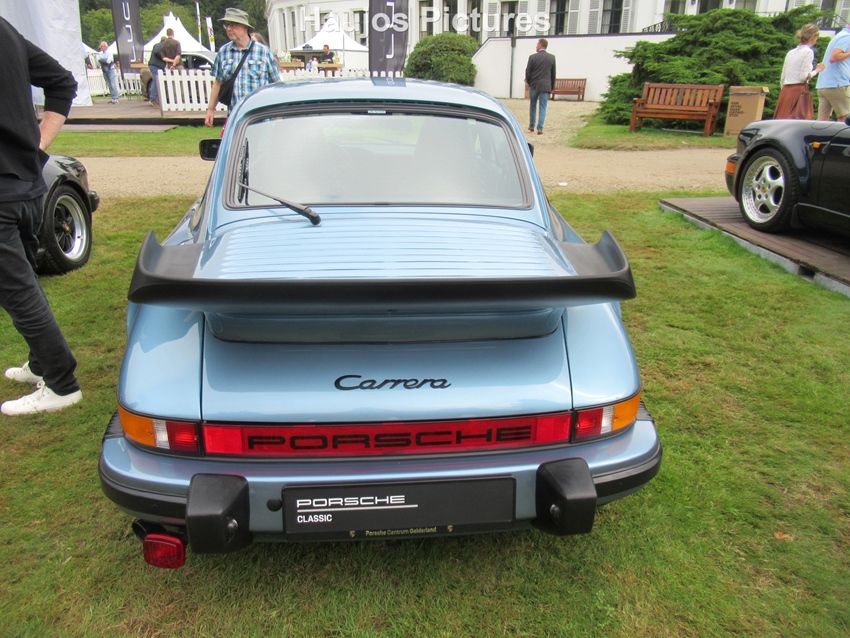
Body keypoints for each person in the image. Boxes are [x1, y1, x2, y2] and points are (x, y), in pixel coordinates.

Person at [0, 17, 83, 415]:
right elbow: (63, 82)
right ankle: (39, 363)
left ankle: (62, 384)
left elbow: (63, 83)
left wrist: (39, 143)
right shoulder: (4, 29)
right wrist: (37, 145)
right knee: (25, 285)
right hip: (28, 184)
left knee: (18, 292)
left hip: (9, 187)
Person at [204, 8, 280, 127]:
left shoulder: (263, 52)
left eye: (233, 25)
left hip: (260, 118)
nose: (229, 29)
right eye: (227, 25)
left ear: (245, 27)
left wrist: (278, 115)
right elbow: (217, 83)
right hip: (235, 120)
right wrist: (210, 110)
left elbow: (276, 85)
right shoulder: (223, 52)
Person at [774, 24, 825, 120]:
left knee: (781, 120)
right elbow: (803, 77)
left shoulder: (791, 52)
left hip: (785, 91)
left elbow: (783, 76)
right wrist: (817, 70)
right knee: (796, 121)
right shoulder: (808, 52)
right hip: (797, 91)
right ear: (814, 36)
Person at [816, 23, 850, 121]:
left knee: (822, 121)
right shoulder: (847, 37)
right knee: (846, 119)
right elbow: (834, 57)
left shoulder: (839, 36)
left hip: (824, 84)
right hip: (838, 84)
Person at [525, 38, 556, 135]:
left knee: (533, 105)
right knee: (543, 107)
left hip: (534, 84)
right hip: (545, 86)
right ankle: (540, 128)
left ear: (540, 45)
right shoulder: (551, 58)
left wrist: (529, 82)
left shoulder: (532, 57)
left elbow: (528, 72)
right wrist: (551, 87)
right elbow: (553, 74)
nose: (536, 46)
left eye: (537, 44)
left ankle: (531, 125)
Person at [148, 36, 167, 108]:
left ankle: (156, 99)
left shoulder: (159, 45)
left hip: (157, 66)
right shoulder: (159, 45)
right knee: (156, 81)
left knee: (157, 82)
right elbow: (156, 51)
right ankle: (153, 99)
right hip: (155, 66)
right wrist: (164, 57)